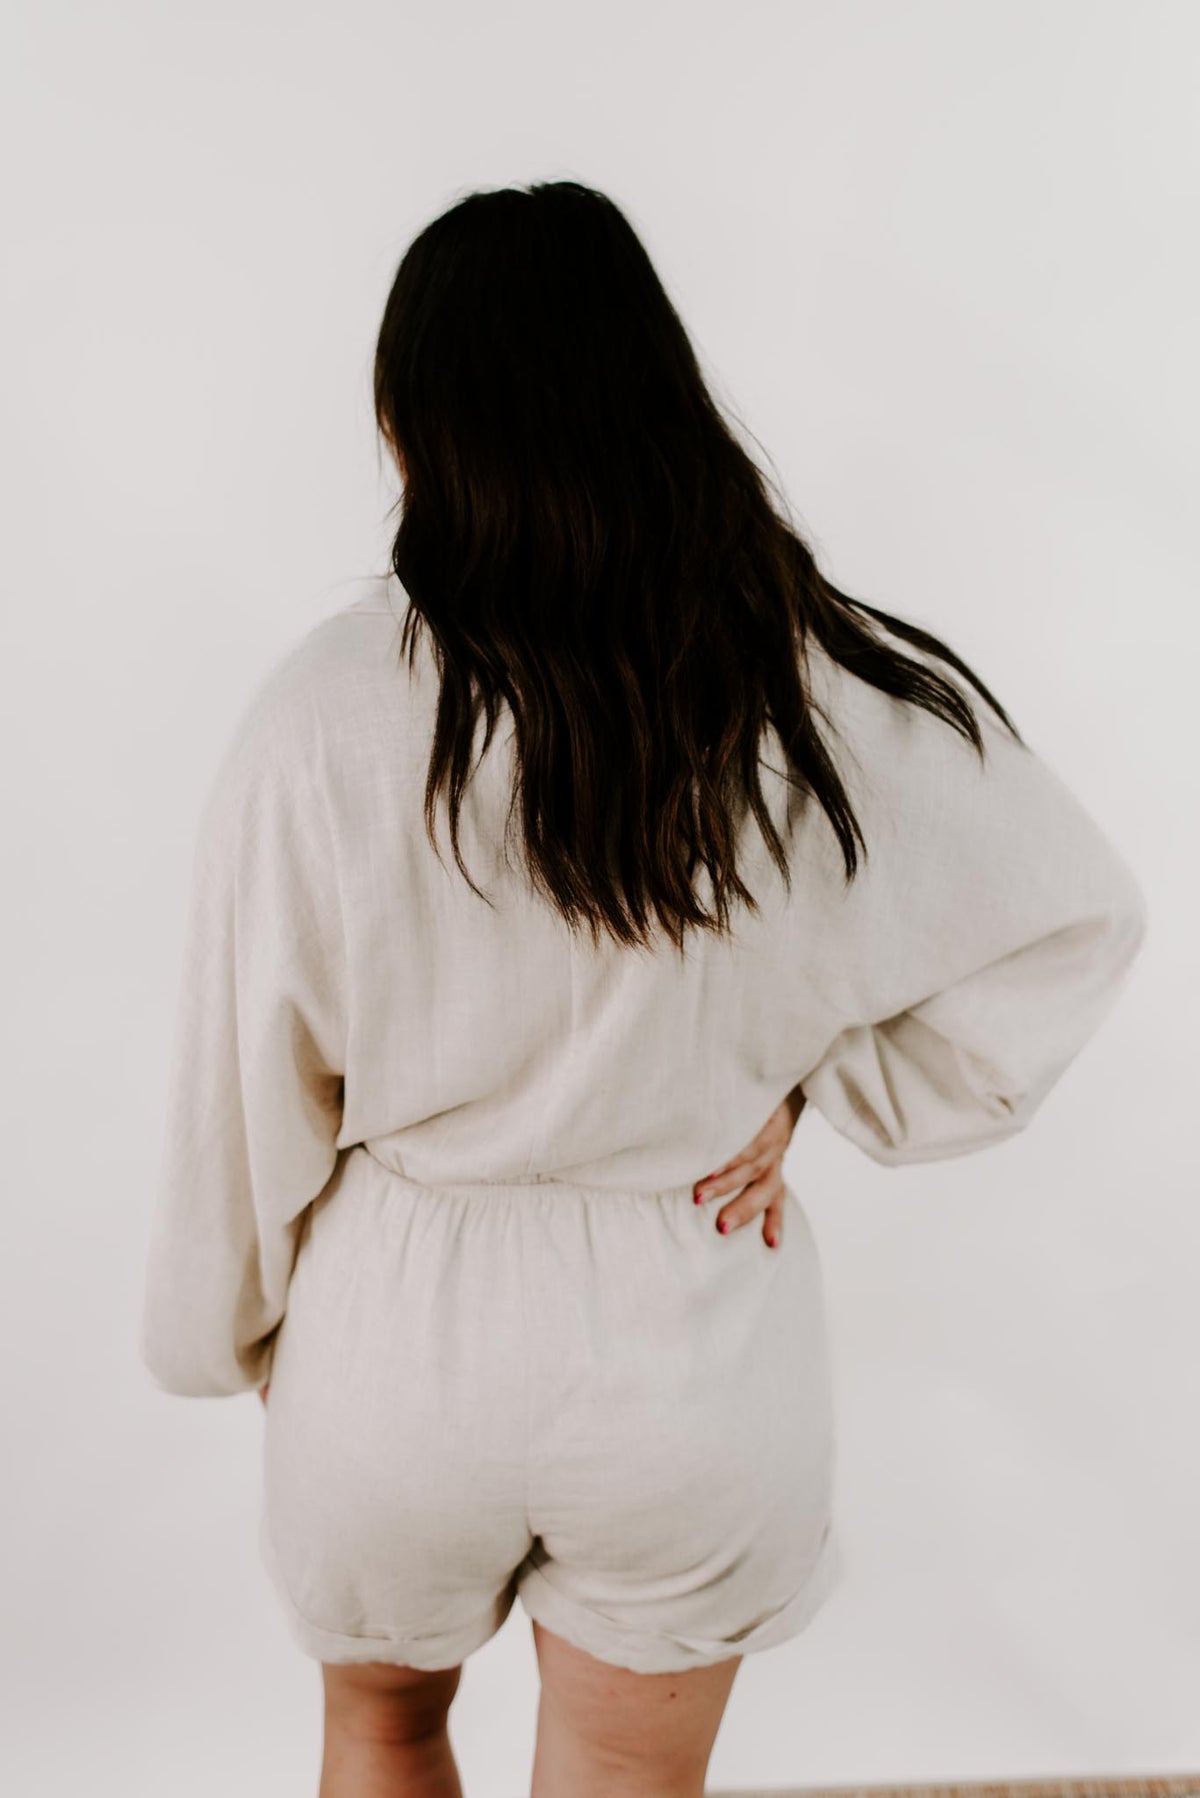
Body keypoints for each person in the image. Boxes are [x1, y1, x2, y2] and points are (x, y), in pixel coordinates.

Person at [139, 181, 1148, 1798]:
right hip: (690, 1325)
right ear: (654, 392)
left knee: (381, 1729)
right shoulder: (804, 682)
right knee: (625, 1769)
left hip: (399, 1337)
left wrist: (229, 1329)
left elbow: (243, 1085)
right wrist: (823, 1079)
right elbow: (1072, 917)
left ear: (411, 425)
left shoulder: (318, 717)